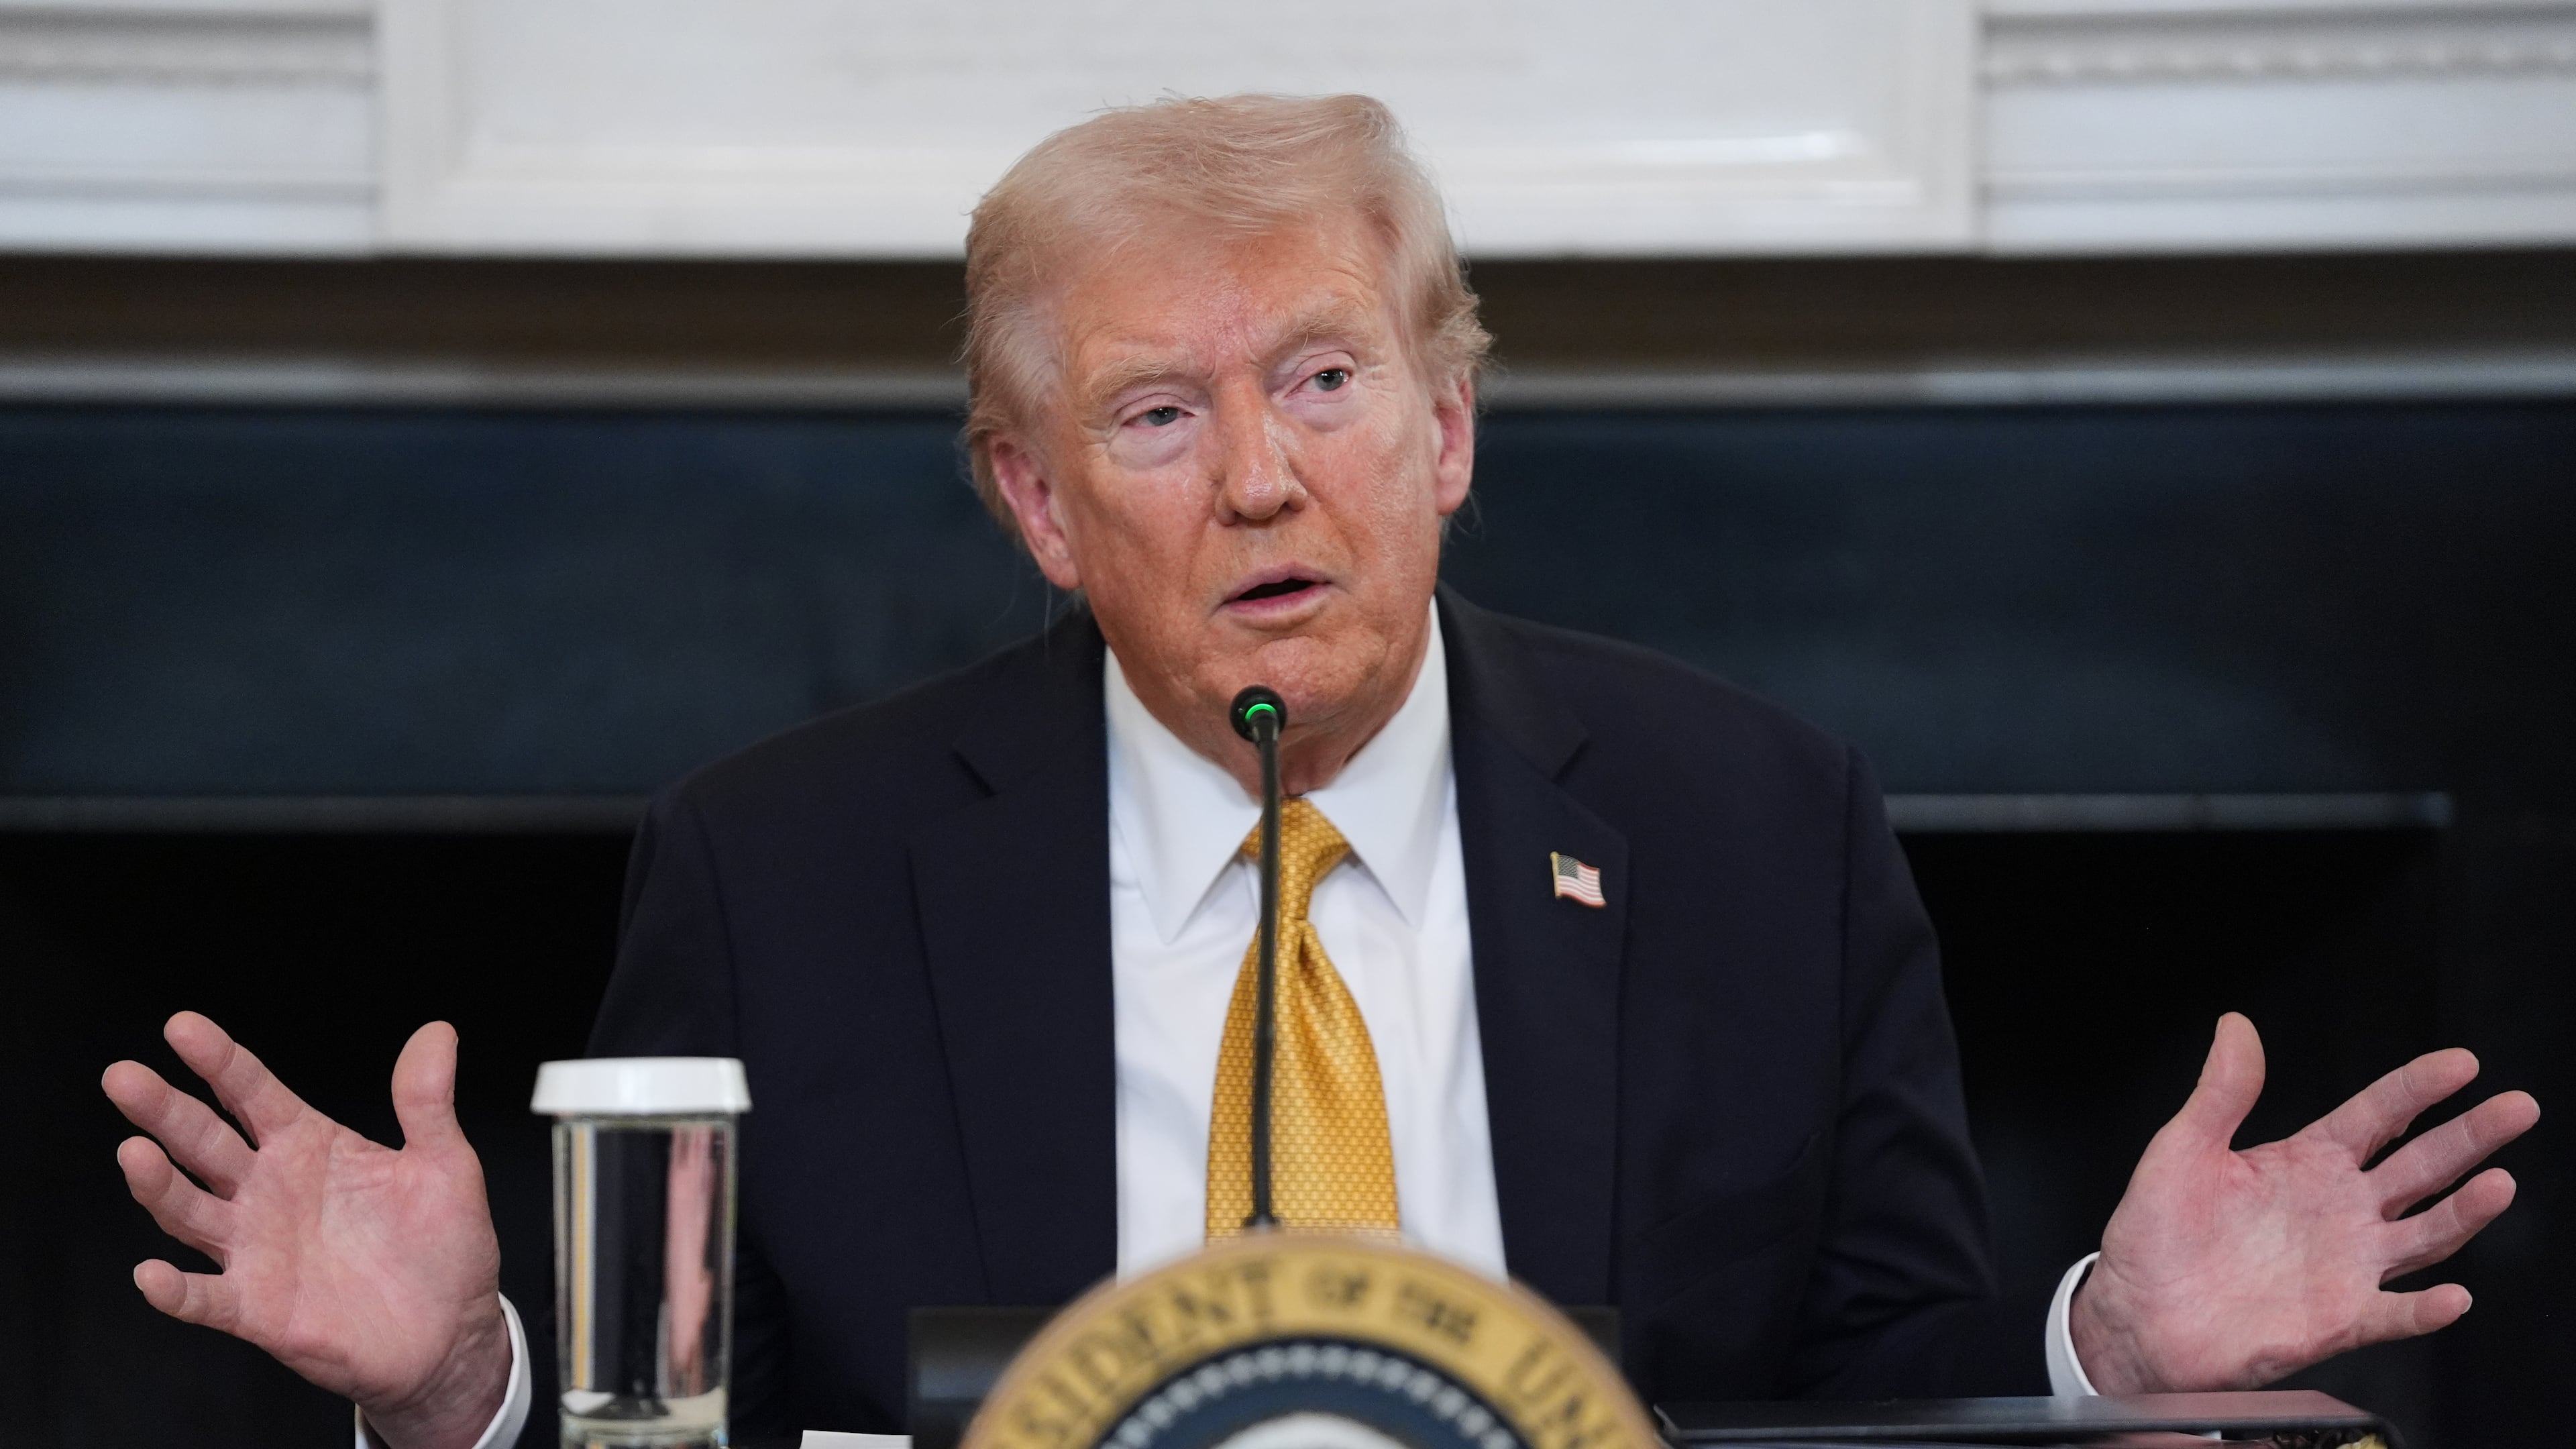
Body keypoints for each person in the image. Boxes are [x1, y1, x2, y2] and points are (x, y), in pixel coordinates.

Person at [99, 95, 2539, 1449]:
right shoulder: (784, 872)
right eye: (1159, 416)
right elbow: (682, 1443)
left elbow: (1878, 1421)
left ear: (1452, 426)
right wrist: (469, 1384)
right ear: (1041, 510)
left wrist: (2099, 1362)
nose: (1263, 481)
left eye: (1332, 382)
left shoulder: (1750, 831)